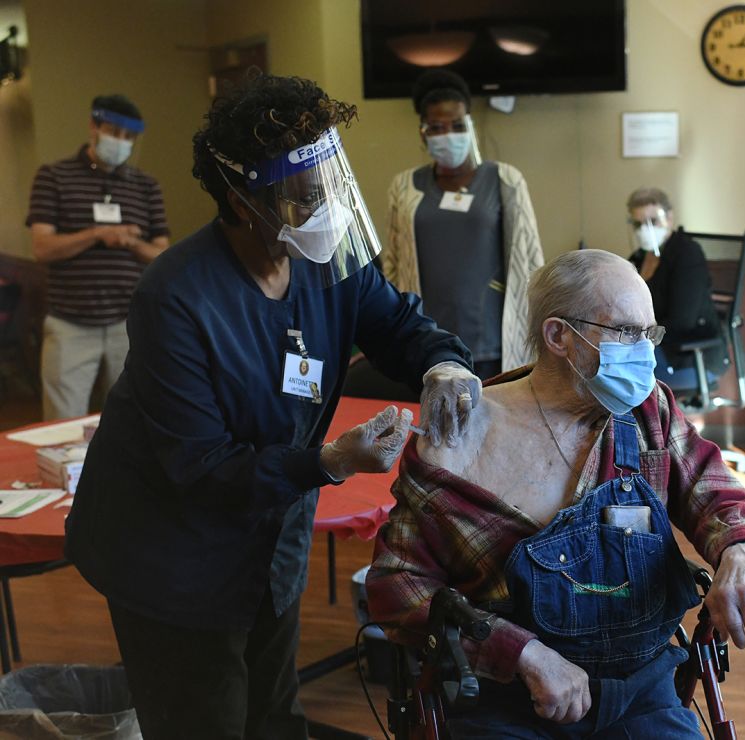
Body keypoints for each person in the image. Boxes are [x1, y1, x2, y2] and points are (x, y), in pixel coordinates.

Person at [64, 73, 482, 739]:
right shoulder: (177, 298)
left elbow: (400, 325)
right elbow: (202, 468)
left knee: (275, 716)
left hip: (271, 534)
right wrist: (328, 459)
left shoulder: (326, 259)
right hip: (173, 552)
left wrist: (444, 364)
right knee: (208, 718)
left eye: (331, 188)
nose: (327, 211)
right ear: (240, 201)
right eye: (304, 199)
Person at [367, 249, 745, 738]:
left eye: (651, 333)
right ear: (559, 335)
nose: (646, 352)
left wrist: (742, 553)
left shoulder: (649, 414)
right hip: (508, 701)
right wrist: (519, 652)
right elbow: (396, 587)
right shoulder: (457, 440)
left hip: (641, 692)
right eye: (627, 332)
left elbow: (714, 491)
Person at [382, 69, 544, 380]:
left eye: (457, 125)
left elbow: (530, 259)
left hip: (494, 344)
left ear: (469, 126)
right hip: (427, 343)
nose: (448, 135)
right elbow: (393, 264)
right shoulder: (404, 186)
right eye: (437, 128)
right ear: (423, 132)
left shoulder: (504, 180)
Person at [26, 94, 170, 420]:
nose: (120, 142)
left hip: (129, 323)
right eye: (113, 132)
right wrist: (96, 234)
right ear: (93, 125)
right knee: (63, 424)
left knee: (133, 419)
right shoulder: (53, 176)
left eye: (129, 137)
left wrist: (130, 242)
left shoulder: (146, 186)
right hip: (69, 323)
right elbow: (42, 248)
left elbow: (161, 253)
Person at [625, 187, 725, 394]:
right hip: (651, 347)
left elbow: (682, 321)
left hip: (685, 354)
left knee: (618, 376)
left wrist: (638, 337)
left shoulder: (687, 253)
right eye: (639, 223)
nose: (646, 229)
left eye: (654, 221)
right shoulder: (639, 258)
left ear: (669, 219)